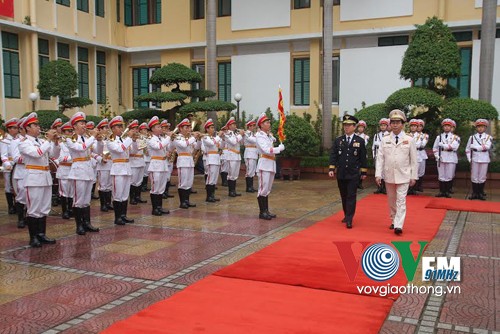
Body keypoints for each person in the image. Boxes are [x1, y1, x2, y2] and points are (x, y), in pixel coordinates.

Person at [18, 113, 60, 247]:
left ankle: (42, 234)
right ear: (27, 128)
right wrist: (48, 140)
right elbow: (37, 154)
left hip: (45, 177)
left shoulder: (42, 142)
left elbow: (54, 155)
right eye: (35, 125)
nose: (38, 127)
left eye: (38, 125)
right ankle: (33, 237)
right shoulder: (24, 143)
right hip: (33, 178)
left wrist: (56, 143)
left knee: (44, 208)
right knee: (34, 208)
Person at [375, 109, 418, 235]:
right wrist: (378, 174)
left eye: (397, 122)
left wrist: (413, 176)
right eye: (392, 122)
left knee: (401, 200)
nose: (394, 124)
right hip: (389, 174)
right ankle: (394, 219)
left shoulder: (409, 139)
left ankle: (399, 225)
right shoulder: (385, 139)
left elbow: (414, 160)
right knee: (391, 200)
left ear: (403, 124)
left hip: (404, 174)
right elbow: (380, 157)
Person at [329, 115, 368, 229]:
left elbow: (363, 158)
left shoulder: (359, 141)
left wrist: (364, 172)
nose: (346, 127)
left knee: (351, 195)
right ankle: (346, 215)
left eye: (349, 125)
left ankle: (350, 218)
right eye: (345, 125)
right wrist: (332, 168)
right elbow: (333, 155)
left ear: (354, 127)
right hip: (341, 173)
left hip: (353, 174)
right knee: (344, 195)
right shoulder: (339, 140)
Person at [66, 112, 101, 235]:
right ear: (74, 126)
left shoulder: (87, 138)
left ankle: (87, 223)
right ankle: (79, 225)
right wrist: (93, 137)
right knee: (78, 200)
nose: (84, 125)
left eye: (84, 123)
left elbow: (98, 150)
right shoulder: (70, 139)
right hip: (78, 172)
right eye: (81, 123)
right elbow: (81, 148)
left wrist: (99, 140)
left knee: (86, 200)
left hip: (88, 170)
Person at [103, 116, 135, 225]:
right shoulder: (110, 141)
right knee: (118, 194)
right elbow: (120, 149)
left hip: (126, 168)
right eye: (118, 126)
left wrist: (132, 140)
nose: (121, 129)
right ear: (112, 128)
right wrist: (129, 138)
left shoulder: (123, 139)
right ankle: (117, 218)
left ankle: (123, 215)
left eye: (121, 126)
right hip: (117, 169)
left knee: (125, 194)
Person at [255, 113, 284, 220]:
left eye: (269, 122)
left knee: (267, 189)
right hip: (264, 164)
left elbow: (274, 140)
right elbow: (266, 150)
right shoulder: (259, 136)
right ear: (261, 125)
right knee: (262, 188)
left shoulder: (267, 135)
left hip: (270, 164)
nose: (269, 124)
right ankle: (262, 212)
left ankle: (266, 210)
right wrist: (278, 149)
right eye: (267, 122)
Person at [172, 118, 201, 209]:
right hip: (183, 161)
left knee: (189, 182)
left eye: (189, 127)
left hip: (190, 161)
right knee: (183, 182)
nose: (189, 129)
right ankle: (182, 202)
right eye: (186, 127)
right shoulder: (177, 137)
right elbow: (184, 145)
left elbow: (197, 147)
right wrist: (193, 137)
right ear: (180, 129)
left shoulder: (189, 138)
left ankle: (187, 201)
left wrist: (199, 139)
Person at [146, 116, 171, 216]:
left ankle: (159, 207)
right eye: (158, 127)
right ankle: (155, 208)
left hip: (163, 165)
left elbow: (166, 147)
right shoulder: (150, 139)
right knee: (155, 188)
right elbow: (158, 146)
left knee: (161, 188)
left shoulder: (161, 138)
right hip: (155, 165)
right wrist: (169, 137)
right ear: (152, 129)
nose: (160, 128)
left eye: (160, 127)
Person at [465, 119, 493, 200]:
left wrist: (475, 147)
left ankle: (480, 193)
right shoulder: (472, 137)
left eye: (482, 127)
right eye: (479, 127)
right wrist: (469, 158)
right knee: (474, 176)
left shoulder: (488, 137)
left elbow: (487, 147)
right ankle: (474, 193)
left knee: (482, 176)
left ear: (485, 128)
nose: (480, 128)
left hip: (484, 158)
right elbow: (467, 149)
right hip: (475, 158)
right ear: (476, 128)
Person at [432, 118, 460, 198]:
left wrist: (444, 145)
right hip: (441, 157)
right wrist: (437, 156)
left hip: (451, 157)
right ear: (443, 127)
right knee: (441, 175)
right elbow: (435, 148)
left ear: (451, 127)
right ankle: (442, 191)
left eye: (448, 126)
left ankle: (447, 191)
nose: (447, 127)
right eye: (445, 126)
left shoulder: (456, 137)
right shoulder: (439, 137)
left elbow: (454, 147)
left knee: (449, 175)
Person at [56, 122, 75, 220]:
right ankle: (65, 211)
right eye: (68, 131)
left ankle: (71, 209)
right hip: (64, 170)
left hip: (72, 170)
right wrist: (73, 156)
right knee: (64, 192)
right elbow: (60, 158)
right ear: (63, 132)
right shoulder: (60, 145)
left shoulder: (73, 143)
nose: (70, 133)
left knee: (72, 192)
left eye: (71, 131)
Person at [11, 117, 27, 228]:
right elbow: (16, 158)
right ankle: (21, 218)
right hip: (21, 173)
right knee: (22, 196)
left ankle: (29, 217)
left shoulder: (36, 141)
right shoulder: (15, 142)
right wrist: (32, 157)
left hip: (34, 172)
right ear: (21, 129)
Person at [1, 117, 19, 214]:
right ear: (9, 129)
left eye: (17, 128)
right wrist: (7, 164)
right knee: (8, 186)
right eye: (14, 128)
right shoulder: (5, 141)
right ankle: (10, 206)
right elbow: (3, 155)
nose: (17, 130)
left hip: (18, 166)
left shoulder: (19, 140)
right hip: (9, 166)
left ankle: (17, 204)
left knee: (17, 186)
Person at [95, 118, 114, 212]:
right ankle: (103, 204)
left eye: (107, 127)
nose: (107, 129)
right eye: (105, 128)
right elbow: (94, 152)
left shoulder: (110, 139)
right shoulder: (96, 140)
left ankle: (108, 203)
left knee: (109, 185)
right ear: (100, 130)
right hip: (102, 165)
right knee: (103, 185)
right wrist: (100, 159)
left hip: (111, 163)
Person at [222, 117, 244, 197]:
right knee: (231, 174)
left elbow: (241, 143)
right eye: (233, 124)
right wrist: (240, 135)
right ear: (229, 126)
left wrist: (242, 136)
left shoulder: (235, 134)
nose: (235, 126)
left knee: (235, 174)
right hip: (231, 155)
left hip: (237, 155)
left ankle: (233, 191)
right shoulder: (227, 134)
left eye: (235, 124)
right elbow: (234, 142)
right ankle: (230, 191)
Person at [202, 119, 223, 202]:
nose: (213, 129)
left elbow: (221, 146)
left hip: (216, 159)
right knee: (210, 178)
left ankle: (212, 195)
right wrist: (219, 136)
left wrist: (223, 139)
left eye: (213, 127)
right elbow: (211, 143)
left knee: (214, 179)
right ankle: (209, 196)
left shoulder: (215, 138)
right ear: (207, 129)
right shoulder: (205, 137)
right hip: (211, 159)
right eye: (211, 127)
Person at [128, 120, 147, 205]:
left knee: (139, 181)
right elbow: (132, 151)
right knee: (133, 181)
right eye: (133, 129)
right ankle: (132, 198)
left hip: (141, 161)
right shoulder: (128, 139)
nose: (135, 130)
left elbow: (144, 149)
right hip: (133, 161)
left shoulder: (140, 138)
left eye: (136, 128)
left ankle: (138, 197)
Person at [372, 118, 389, 194]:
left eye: (384, 125)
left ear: (387, 126)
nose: (382, 127)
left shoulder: (389, 135)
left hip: (386, 155)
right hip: (377, 154)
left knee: (385, 171)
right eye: (381, 125)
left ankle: (385, 188)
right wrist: (374, 155)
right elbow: (373, 146)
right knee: (378, 171)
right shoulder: (376, 135)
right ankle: (379, 187)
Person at [244, 119, 258, 193]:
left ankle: (251, 186)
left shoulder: (253, 134)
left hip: (254, 153)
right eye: (252, 126)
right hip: (249, 153)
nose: (254, 127)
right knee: (249, 171)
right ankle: (248, 187)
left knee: (252, 171)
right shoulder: (247, 133)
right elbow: (253, 140)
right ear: (249, 127)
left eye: (254, 125)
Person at [415, 119, 428, 192]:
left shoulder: (425, 135)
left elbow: (422, 144)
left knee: (421, 171)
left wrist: (416, 145)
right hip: (414, 153)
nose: (418, 127)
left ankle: (419, 186)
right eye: (417, 126)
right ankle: (414, 186)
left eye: (420, 126)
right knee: (414, 171)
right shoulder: (410, 135)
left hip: (421, 154)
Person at [355, 120, 369, 190]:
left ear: (364, 128)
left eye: (362, 127)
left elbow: (365, 145)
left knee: (362, 169)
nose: (360, 129)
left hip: (362, 155)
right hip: (355, 155)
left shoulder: (366, 137)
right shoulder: (354, 135)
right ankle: (356, 182)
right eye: (359, 127)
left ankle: (360, 183)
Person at [139, 122, 151, 192]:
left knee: (146, 172)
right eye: (143, 130)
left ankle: (145, 185)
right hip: (143, 157)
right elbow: (143, 147)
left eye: (146, 130)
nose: (145, 131)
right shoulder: (140, 137)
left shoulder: (148, 137)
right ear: (140, 131)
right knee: (143, 173)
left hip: (148, 157)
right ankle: (142, 186)